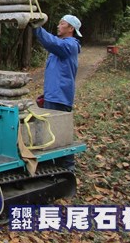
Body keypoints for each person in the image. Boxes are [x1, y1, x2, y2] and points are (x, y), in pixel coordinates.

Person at [33, 14, 82, 171]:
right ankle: (56, 167)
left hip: (60, 98)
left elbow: (50, 42)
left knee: (61, 133)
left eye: (62, 24)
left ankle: (68, 169)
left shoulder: (70, 45)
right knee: (51, 133)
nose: (58, 26)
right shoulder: (60, 47)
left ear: (71, 29)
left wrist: (37, 28)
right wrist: (46, 94)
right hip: (53, 96)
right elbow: (56, 74)